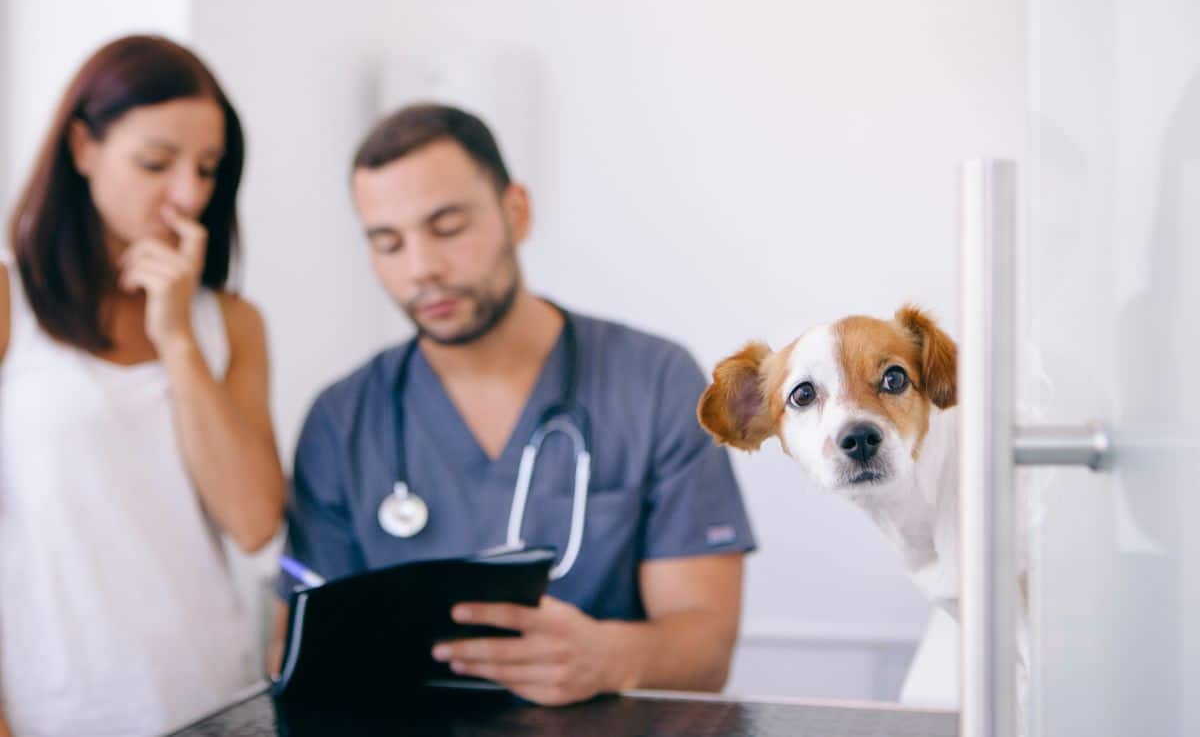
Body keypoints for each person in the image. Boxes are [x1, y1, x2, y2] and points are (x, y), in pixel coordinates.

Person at [274, 103, 756, 706]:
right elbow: (305, 650)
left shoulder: (655, 382)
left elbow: (706, 647)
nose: (422, 269)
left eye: (447, 228)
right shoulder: (342, 420)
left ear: (515, 212)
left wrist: (605, 658)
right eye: (389, 243)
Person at [0, 36, 285, 736]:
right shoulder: (11, 305)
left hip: (216, 702)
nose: (187, 195)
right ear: (83, 147)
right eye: (156, 163)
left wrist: (178, 337)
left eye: (208, 170)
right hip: (59, 708)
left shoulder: (231, 323)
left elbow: (253, 522)